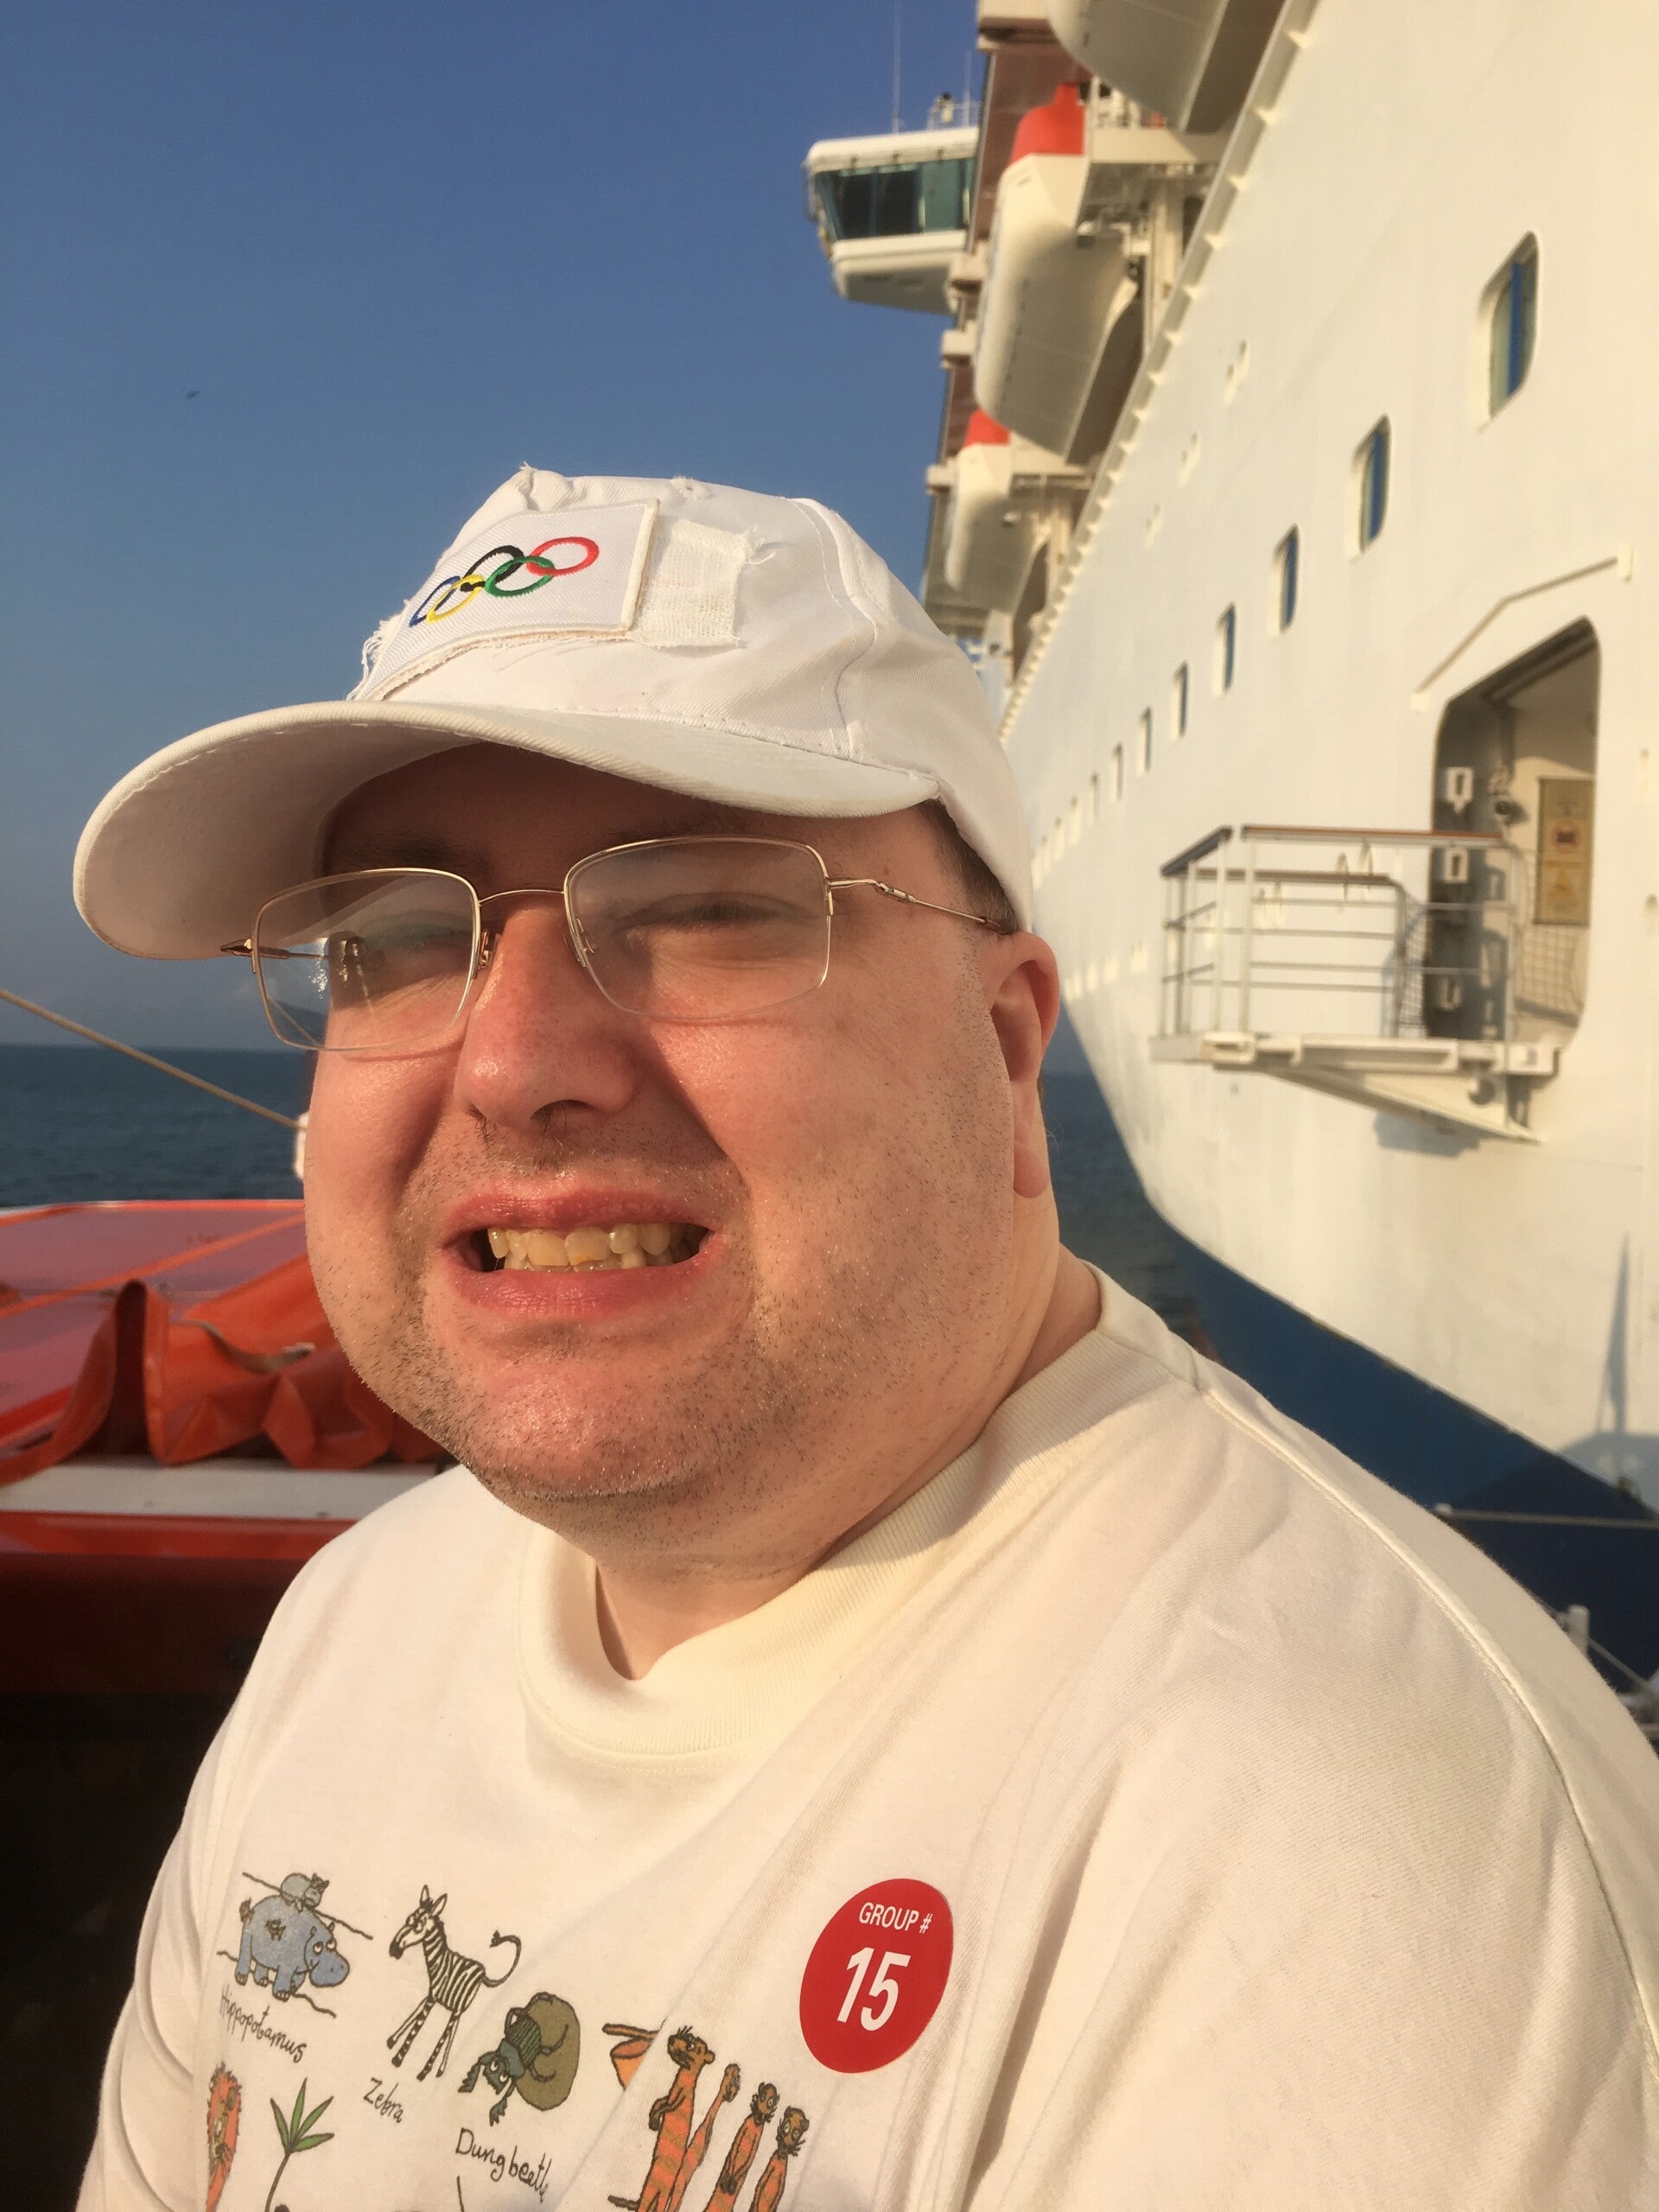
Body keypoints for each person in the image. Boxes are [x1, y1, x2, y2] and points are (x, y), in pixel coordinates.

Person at [75, 471, 1658, 2209]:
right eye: (393, 938)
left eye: (706, 906)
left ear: (1005, 1048)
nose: (516, 1062)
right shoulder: (358, 1617)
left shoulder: (1346, 1865)